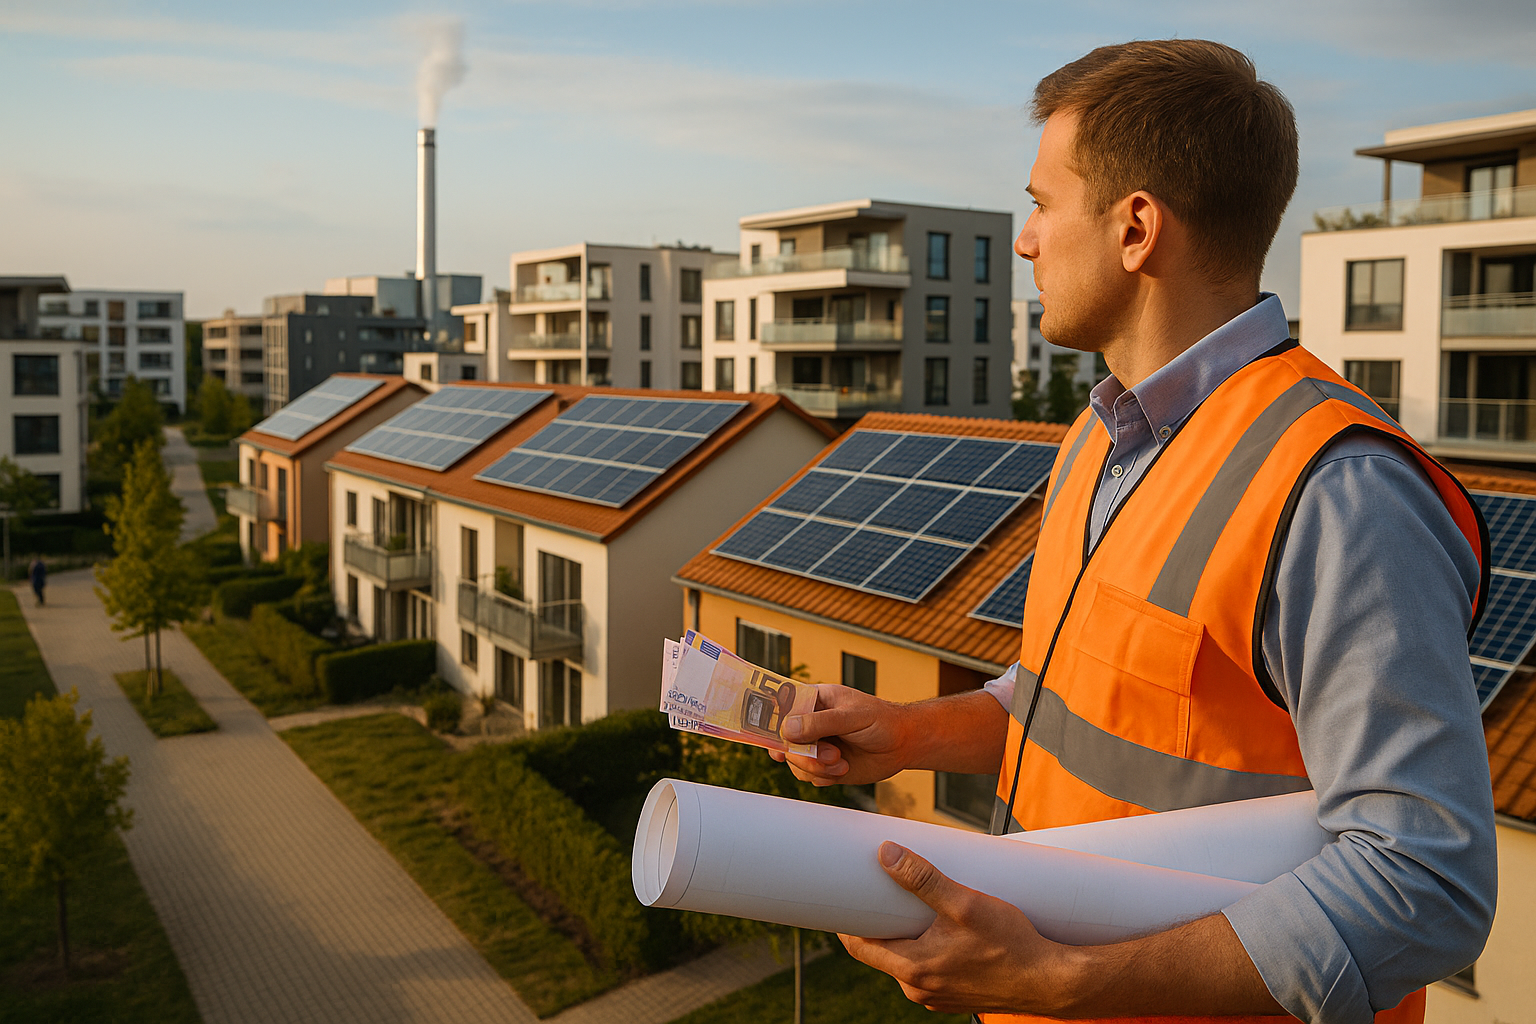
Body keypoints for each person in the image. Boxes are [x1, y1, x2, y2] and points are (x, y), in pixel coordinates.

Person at [770, 40, 1496, 1024]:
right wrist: (904, 733)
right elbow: (1081, 706)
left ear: (1136, 228)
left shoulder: (1338, 491)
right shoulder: (1098, 442)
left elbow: (1428, 882)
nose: (1025, 241)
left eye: (1041, 202)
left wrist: (1059, 982)